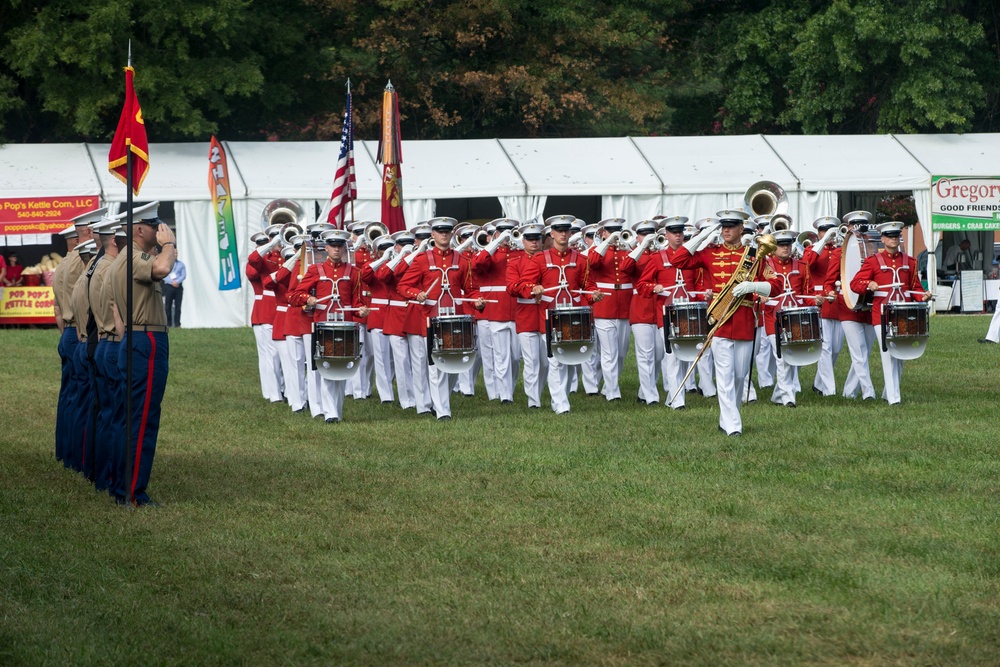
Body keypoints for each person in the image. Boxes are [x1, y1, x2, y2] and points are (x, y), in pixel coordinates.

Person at [673, 210, 783, 436]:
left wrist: (754, 287)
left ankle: (726, 418)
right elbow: (679, 260)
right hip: (721, 320)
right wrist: (704, 236)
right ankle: (734, 425)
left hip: (743, 320)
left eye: (731, 226)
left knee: (740, 376)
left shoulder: (753, 255)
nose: (726, 230)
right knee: (724, 375)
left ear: (741, 229)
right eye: (723, 226)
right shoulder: (710, 253)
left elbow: (777, 284)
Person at [108, 201, 176, 507]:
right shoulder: (134, 258)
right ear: (139, 230)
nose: (159, 230)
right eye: (154, 225)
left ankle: (122, 485)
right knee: (142, 418)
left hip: (138, 338)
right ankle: (132, 492)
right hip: (145, 340)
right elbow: (163, 267)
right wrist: (170, 243)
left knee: (132, 416)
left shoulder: (129, 258)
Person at [397, 217, 485, 420]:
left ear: (452, 234)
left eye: (447, 231)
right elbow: (403, 287)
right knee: (424, 365)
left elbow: (471, 290)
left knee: (450, 364)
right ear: (433, 235)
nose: (444, 234)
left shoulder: (462, 261)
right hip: (424, 319)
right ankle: (432, 407)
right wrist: (416, 294)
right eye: (439, 231)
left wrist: (478, 301)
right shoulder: (421, 260)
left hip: (451, 320)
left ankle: (439, 402)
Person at [288, 230, 370, 423]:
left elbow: (356, 303)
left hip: (345, 326)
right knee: (325, 368)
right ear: (326, 248)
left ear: (344, 248)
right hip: (323, 326)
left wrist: (362, 311)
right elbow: (294, 295)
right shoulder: (315, 270)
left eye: (339, 245)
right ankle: (330, 412)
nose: (336, 249)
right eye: (332, 245)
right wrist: (308, 298)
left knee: (341, 369)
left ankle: (336, 411)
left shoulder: (354, 272)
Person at [850, 221, 930, 404]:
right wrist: (868, 285)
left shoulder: (910, 261)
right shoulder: (872, 261)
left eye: (896, 236)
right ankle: (894, 398)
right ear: (883, 239)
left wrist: (922, 296)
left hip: (903, 312)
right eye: (890, 236)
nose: (894, 239)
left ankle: (889, 393)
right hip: (882, 314)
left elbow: (914, 288)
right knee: (888, 353)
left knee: (900, 354)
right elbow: (855, 284)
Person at [162, 253, 186, 328]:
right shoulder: (166, 264)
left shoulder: (181, 264)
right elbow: (163, 275)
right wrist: (171, 282)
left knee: (178, 306)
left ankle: (177, 324)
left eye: (176, 253)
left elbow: (183, 275)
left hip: (178, 287)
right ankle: (168, 324)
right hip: (169, 286)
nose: (175, 255)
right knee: (167, 306)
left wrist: (177, 282)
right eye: (174, 253)